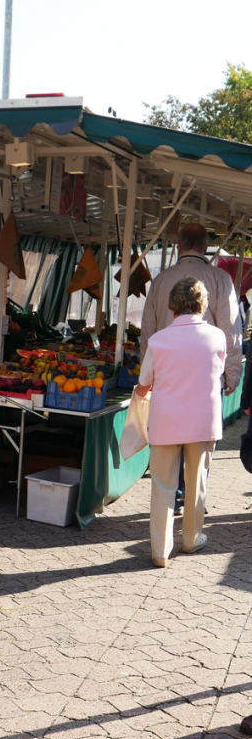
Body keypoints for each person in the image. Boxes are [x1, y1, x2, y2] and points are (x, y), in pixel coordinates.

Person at [135, 278, 226, 568]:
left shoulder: (158, 340)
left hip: (165, 421)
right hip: (202, 420)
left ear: (172, 306)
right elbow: (217, 373)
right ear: (203, 305)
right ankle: (191, 538)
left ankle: (160, 550)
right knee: (196, 482)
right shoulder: (218, 338)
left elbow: (144, 382)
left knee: (162, 485)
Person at [140, 222, 241, 391]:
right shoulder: (221, 278)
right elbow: (229, 328)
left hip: (166, 376)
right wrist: (232, 376)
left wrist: (147, 376)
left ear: (179, 245)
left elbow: (148, 330)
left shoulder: (159, 280)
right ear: (205, 246)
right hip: (207, 379)